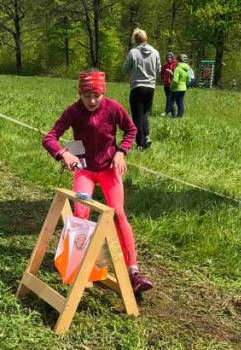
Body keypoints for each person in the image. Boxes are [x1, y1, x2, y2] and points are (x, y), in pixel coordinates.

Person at [42, 69, 154, 294]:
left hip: (108, 169)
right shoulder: (73, 111)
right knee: (81, 214)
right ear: (79, 94)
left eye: (96, 96)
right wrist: (64, 154)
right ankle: (78, 265)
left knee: (118, 214)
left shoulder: (113, 108)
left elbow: (131, 130)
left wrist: (121, 152)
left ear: (104, 93)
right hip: (84, 170)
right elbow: (49, 138)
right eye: (86, 96)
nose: (92, 101)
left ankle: (133, 271)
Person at [122, 28, 161, 150]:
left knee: (136, 114)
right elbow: (159, 69)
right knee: (144, 112)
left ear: (135, 39)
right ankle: (146, 135)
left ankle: (140, 142)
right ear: (146, 38)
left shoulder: (133, 52)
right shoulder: (155, 52)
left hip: (138, 86)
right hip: (150, 87)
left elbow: (125, 68)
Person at [168, 54, 191, 118]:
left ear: (177, 60)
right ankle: (180, 116)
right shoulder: (187, 69)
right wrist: (186, 86)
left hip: (176, 88)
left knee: (171, 103)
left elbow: (175, 80)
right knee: (180, 102)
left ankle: (173, 116)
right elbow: (188, 79)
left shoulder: (177, 68)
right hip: (183, 88)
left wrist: (171, 87)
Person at [160, 52, 176, 116]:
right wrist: (163, 78)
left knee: (171, 98)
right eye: (167, 57)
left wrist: (171, 72)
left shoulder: (175, 64)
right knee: (168, 97)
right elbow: (161, 73)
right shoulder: (165, 65)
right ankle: (169, 111)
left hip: (172, 83)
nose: (169, 58)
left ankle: (168, 111)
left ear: (172, 57)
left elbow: (176, 74)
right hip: (166, 84)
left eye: (170, 57)